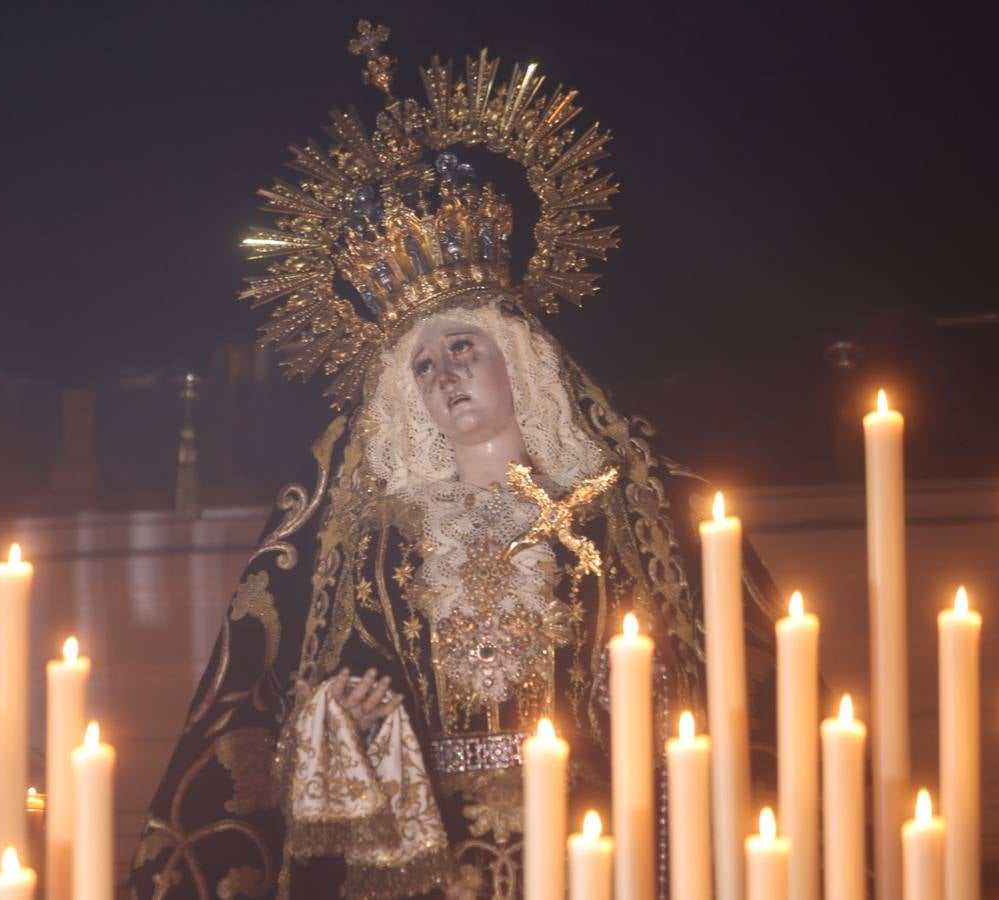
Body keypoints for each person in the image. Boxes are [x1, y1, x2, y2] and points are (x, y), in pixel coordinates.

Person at [129, 22, 778, 899]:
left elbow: (723, 696)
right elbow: (264, 718)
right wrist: (342, 722)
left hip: (594, 848)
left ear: (520, 356)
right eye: (423, 368)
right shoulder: (371, 545)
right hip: (426, 859)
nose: (445, 378)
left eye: (463, 347)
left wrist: (653, 693)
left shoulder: (621, 512)